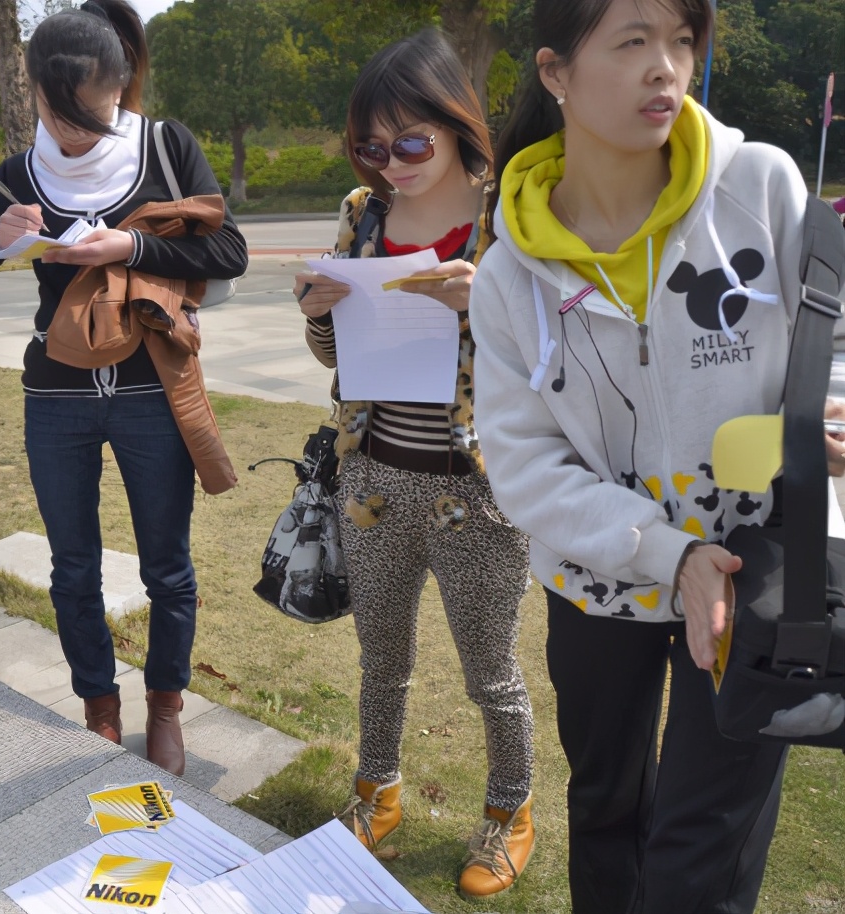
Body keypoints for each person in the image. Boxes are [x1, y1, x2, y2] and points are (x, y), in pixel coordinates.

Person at [471, 1, 845, 910]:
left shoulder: (759, 187)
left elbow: (831, 330)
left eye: (681, 41)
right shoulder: (510, 274)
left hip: (755, 574)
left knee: (700, 857)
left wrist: (821, 420)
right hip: (597, 579)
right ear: (556, 72)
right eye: (633, 41)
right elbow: (523, 465)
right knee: (605, 811)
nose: (665, 67)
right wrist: (669, 555)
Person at [0, 0, 247, 776]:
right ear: (35, 93)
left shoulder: (166, 146)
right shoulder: (19, 175)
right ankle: (99, 709)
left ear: (121, 83)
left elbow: (230, 252)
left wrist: (129, 246)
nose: (77, 132)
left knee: (166, 566)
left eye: (94, 112)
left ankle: (165, 706)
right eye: (60, 114)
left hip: (149, 390)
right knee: (72, 568)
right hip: (56, 396)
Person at [292, 31, 535, 899]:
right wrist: (317, 312)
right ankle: (377, 796)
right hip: (373, 479)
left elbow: (560, 358)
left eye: (409, 143)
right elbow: (335, 356)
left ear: (457, 122)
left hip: (479, 489)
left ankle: (510, 812)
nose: (389, 164)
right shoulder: (364, 213)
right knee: (381, 659)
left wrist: (490, 304)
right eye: (370, 147)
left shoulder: (512, 213)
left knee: (491, 672)